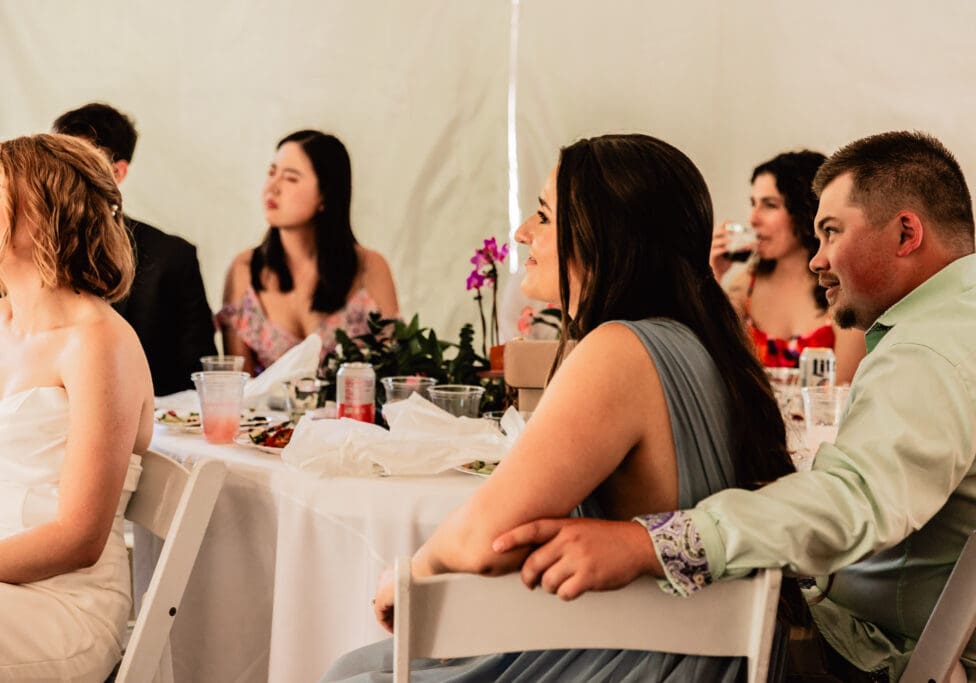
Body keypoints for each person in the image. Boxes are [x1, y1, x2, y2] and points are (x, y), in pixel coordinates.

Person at [493, 131, 976, 681]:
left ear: (906, 232)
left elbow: (853, 500)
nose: (817, 259)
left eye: (831, 233)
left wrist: (653, 542)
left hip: (893, 657)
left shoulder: (930, 352)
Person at [320, 134, 796, 682]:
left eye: (543, 216)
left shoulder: (619, 351)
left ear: (603, 234)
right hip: (698, 645)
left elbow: (486, 541)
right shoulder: (703, 342)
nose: (523, 233)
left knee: (353, 673)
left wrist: (410, 575)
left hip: (643, 656)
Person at [0, 134, 153, 681]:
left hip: (63, 604)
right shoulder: (3, 324)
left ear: (42, 213)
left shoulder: (98, 343)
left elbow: (79, 538)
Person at [53, 102, 217, 396]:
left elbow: (200, 372)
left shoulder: (171, 256)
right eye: (56, 161)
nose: (62, 175)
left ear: (117, 172)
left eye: (78, 163)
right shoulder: (26, 250)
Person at [218, 130, 399, 375]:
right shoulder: (245, 269)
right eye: (272, 173)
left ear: (325, 194)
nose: (272, 188)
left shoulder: (370, 267)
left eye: (291, 179)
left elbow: (392, 374)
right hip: (264, 414)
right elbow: (239, 387)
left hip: (353, 413)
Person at [710, 151, 865, 383]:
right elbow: (710, 362)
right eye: (753, 204)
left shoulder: (844, 291)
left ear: (806, 211)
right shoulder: (746, 285)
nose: (753, 218)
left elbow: (844, 396)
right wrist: (712, 276)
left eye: (770, 205)